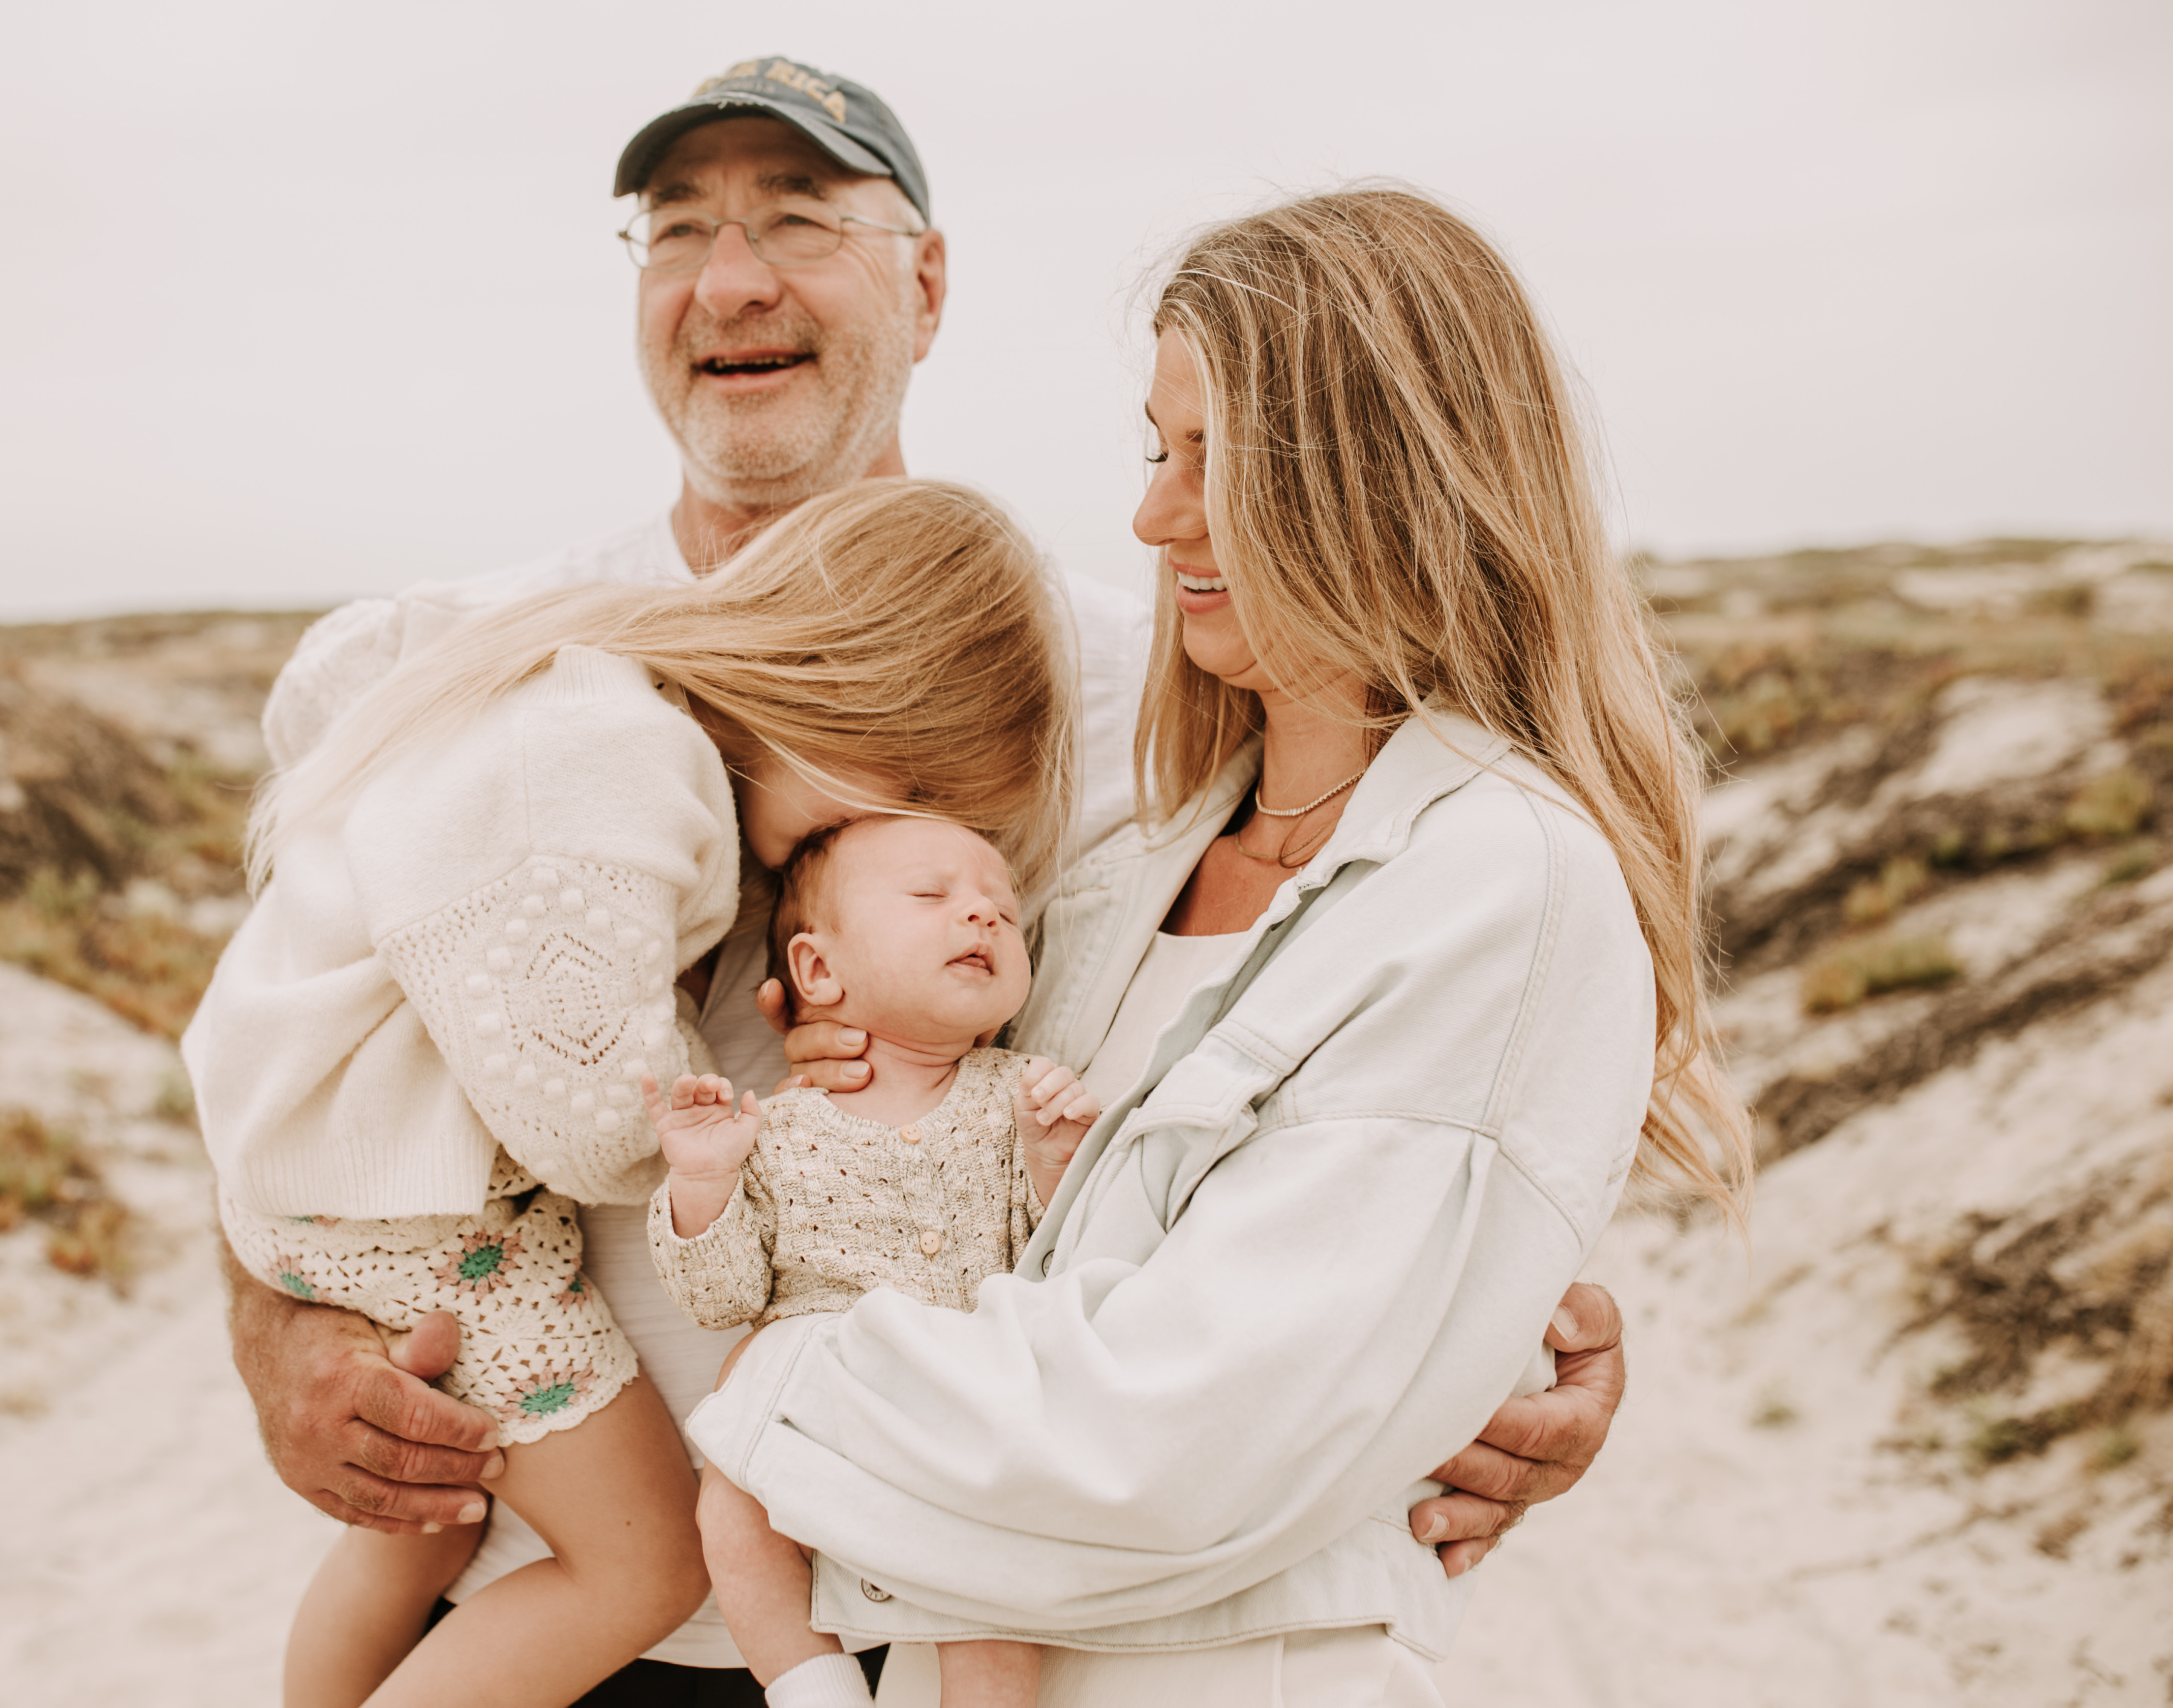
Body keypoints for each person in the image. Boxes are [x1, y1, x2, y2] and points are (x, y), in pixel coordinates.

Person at [225, 57, 1632, 1702]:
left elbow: (1311, 1049)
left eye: (801, 219)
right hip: (569, 1603)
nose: (731, 278)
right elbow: (298, 1050)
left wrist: (1504, 1314)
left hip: (914, 1611)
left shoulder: (1134, 692)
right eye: (678, 229)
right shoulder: (519, 666)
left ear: (929, 279)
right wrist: (272, 1331)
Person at [690, 186, 1754, 1707]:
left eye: (1221, 463)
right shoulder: (1127, 865)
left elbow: (1166, 1453)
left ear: (1392, 486)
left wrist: (773, 1393)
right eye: (1155, 449)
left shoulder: (1497, 883)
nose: (1151, 516)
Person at [186, 479, 1076, 1706]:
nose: (883, 839)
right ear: (841, 680)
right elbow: (595, 1122)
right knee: (646, 1560)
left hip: (344, 1185)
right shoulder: (604, 762)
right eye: (912, 795)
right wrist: (769, 1124)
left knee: (432, 1519)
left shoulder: (591, 703)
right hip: (423, 1229)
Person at [643, 815, 1104, 1708]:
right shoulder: (776, 1125)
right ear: (818, 970)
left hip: (967, 1405)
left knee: (994, 1575)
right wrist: (705, 1183)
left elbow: (1067, 1266)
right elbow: (723, 1295)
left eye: (1004, 915)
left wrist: (1057, 1168)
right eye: (933, 897)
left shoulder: (1024, 1094)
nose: (981, 918)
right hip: (819, 1390)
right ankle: (813, 1689)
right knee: (732, 1505)